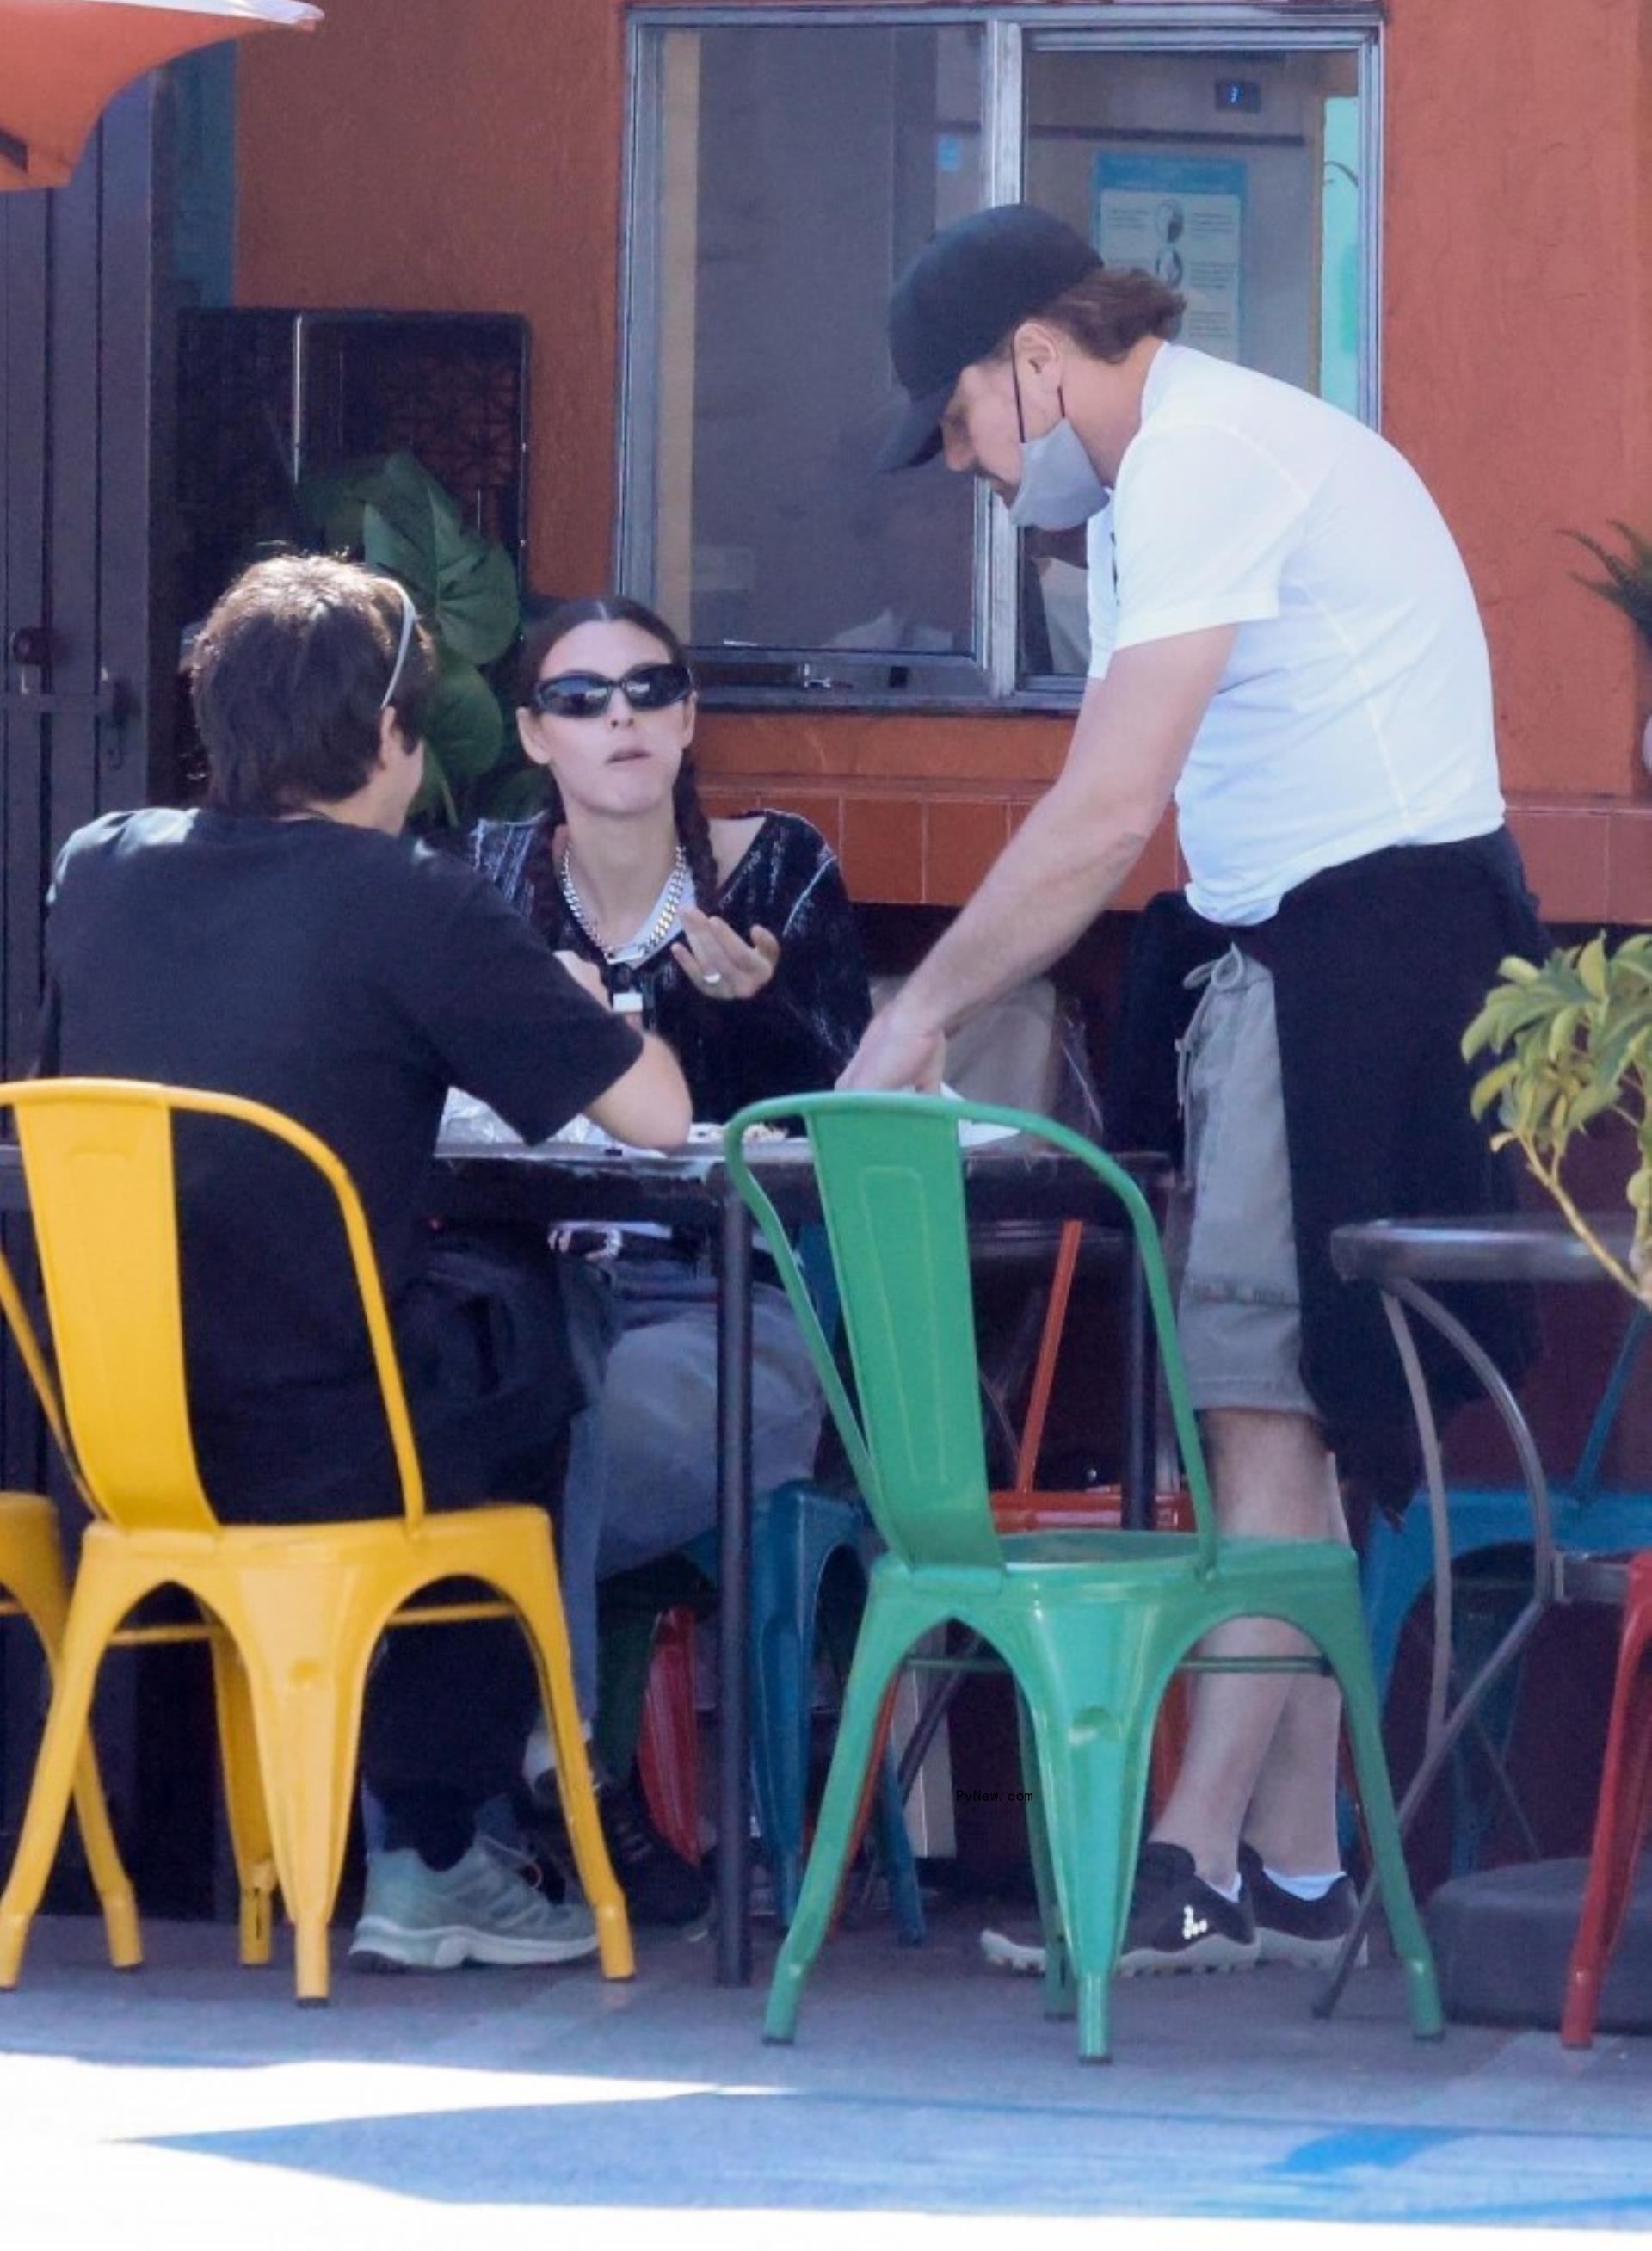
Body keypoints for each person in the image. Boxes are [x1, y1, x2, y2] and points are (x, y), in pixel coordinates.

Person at [844, 203, 1547, 1974]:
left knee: (1262, 1411)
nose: (975, 474)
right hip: (1309, 950)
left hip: (1360, 956)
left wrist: (913, 1014)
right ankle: (1296, 1863)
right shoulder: (1190, 464)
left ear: (1034, 359)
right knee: (1277, 1415)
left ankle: (1193, 1853)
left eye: (962, 430)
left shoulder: (1198, 462)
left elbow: (1102, 809)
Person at [37, 553, 691, 1972]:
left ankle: (410, 1822)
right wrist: (578, 1005)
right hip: (334, 1439)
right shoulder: (414, 897)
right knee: (547, 1331)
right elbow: (658, 1115)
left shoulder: (98, 868)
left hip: (118, 1443)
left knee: (482, 1343)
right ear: (396, 733)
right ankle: (440, 1842)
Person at [466, 593, 872, 1922]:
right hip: (536, 1299)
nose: (621, 718)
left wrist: (757, 1020)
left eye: (650, 690)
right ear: (534, 733)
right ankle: (538, 1788)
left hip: (728, 1311)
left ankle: (538, 1781)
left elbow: (849, 1122)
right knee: (506, 1406)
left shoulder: (778, 871)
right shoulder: (486, 880)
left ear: (691, 717)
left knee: (550, 1428)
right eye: (581, 699)